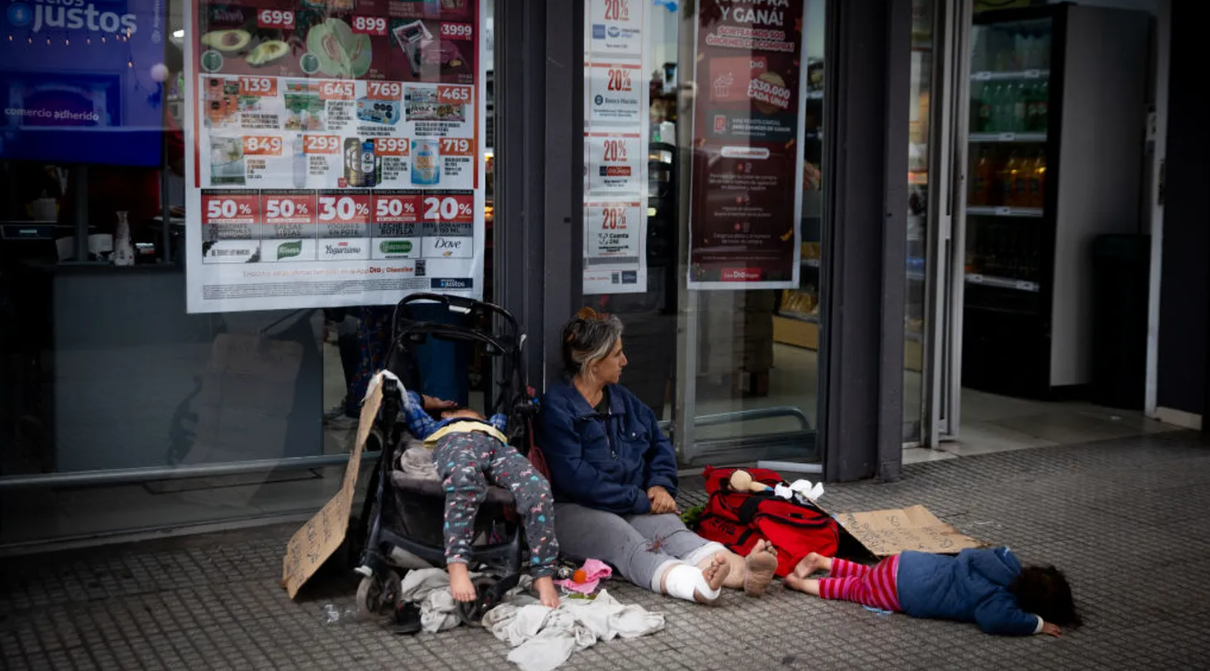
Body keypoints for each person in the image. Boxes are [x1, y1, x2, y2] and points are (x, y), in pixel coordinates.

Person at [536, 307, 779, 605]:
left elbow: (659, 446)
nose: (625, 361)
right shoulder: (558, 409)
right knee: (625, 541)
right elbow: (577, 480)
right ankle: (694, 585)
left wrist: (660, 485)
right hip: (573, 510)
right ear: (593, 363)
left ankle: (745, 572)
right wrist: (641, 500)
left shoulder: (625, 402)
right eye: (617, 355)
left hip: (632, 502)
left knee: (673, 532)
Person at [398, 387, 561, 608]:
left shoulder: (493, 425)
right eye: (476, 414)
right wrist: (434, 403)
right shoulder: (437, 426)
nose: (481, 417)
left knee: (537, 488)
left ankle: (543, 574)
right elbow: (407, 400)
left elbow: (506, 415)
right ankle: (457, 562)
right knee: (465, 479)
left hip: (498, 448)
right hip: (456, 443)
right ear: (449, 414)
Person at [786, 548, 1081, 637]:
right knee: (855, 589)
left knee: (869, 574)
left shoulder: (1004, 561)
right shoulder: (999, 600)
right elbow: (995, 621)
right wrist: (1037, 624)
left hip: (908, 562)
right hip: (905, 590)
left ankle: (823, 561)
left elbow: (987, 552)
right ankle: (800, 583)